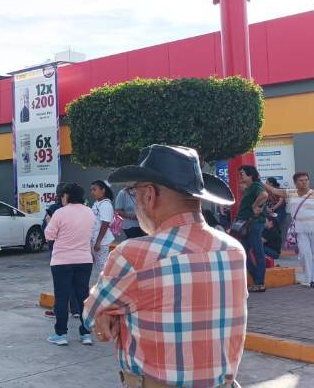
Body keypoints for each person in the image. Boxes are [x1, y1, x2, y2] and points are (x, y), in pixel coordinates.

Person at [84, 144, 244, 388]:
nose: (134, 201)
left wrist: (108, 312)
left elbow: (90, 312)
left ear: (149, 195)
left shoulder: (133, 256)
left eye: (133, 192)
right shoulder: (233, 250)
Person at [44, 183, 94, 346]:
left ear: (66, 195)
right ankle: (86, 334)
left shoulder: (60, 213)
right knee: (83, 297)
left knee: (62, 297)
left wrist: (49, 221)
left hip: (62, 261)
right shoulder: (89, 212)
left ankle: (61, 334)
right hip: (84, 260)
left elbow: (49, 235)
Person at [266, 171, 314, 288]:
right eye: (301, 180)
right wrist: (256, 180)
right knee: (304, 254)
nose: (304, 183)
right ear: (295, 182)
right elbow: (273, 190)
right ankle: (309, 279)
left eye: (306, 180)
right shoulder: (290, 192)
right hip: (299, 230)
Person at [237, 165, 268, 292]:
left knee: (258, 253)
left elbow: (264, 195)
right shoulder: (251, 187)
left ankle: (259, 283)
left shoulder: (256, 185)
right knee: (243, 253)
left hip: (253, 224)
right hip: (247, 225)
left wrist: (255, 206)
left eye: (242, 173)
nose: (240, 176)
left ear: (250, 175)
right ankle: (257, 281)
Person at [89, 180, 114, 273]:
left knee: (103, 268)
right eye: (91, 190)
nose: (92, 192)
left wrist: (98, 242)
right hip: (95, 240)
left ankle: (106, 285)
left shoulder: (106, 205)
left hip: (102, 242)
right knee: (100, 266)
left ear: (103, 190)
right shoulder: (97, 203)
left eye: (94, 190)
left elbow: (105, 224)